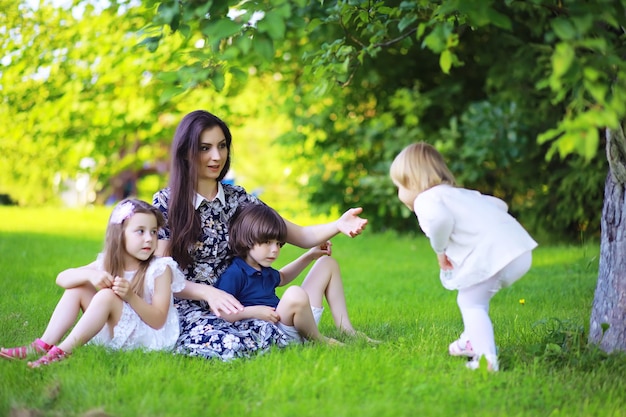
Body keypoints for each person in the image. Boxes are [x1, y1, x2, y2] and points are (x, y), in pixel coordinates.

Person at [152, 110, 371, 361]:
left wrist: (338, 224)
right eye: (205, 148)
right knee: (228, 345)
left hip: (244, 300)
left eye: (222, 146)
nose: (216, 156)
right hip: (195, 306)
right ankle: (295, 335)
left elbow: (299, 233)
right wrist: (207, 293)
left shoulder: (239, 198)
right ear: (186, 153)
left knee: (267, 328)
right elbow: (162, 275)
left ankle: (336, 333)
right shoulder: (167, 203)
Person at [389, 142, 537, 371]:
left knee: (470, 302)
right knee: (476, 298)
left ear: (413, 181)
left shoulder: (425, 200)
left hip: (493, 255)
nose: (400, 193)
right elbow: (500, 204)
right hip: (519, 251)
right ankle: (471, 340)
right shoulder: (459, 194)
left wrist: (440, 250)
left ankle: (486, 360)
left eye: (399, 186)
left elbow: (440, 220)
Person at [0, 199, 186, 367]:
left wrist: (130, 296)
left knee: (106, 296)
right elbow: (62, 278)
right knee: (78, 287)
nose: (149, 238)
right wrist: (90, 275)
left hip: (150, 336)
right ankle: (42, 345)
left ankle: (61, 352)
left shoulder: (160, 269)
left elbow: (158, 321)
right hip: (121, 327)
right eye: (140, 231)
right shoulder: (108, 262)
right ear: (119, 234)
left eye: (153, 232)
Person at [215, 204, 367, 345]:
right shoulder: (235, 273)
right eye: (267, 242)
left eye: (278, 244)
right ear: (246, 240)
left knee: (327, 264)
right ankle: (321, 341)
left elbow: (283, 277)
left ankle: (347, 329)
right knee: (295, 293)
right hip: (277, 332)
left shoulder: (263, 268)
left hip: (300, 323)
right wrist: (253, 311)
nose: (274, 250)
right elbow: (220, 312)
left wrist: (310, 256)